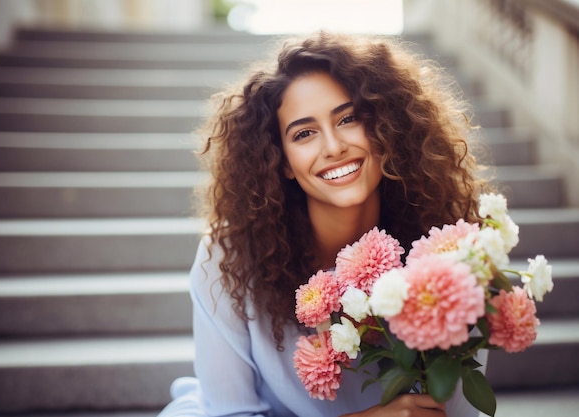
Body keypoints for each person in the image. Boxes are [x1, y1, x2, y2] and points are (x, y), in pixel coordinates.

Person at [159, 31, 491, 417]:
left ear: (387, 129)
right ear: (281, 161)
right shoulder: (229, 255)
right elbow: (227, 411)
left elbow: (457, 410)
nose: (333, 147)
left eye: (349, 118)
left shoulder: (450, 249)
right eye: (304, 134)